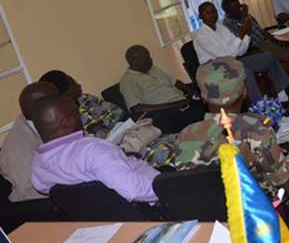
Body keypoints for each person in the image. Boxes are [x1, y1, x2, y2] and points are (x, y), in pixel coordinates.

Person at [175, 57, 289, 207]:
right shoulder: (257, 129)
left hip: (218, 212)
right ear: (244, 91)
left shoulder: (185, 135)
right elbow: (285, 187)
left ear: (203, 96)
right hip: (265, 207)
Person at [30, 94, 160, 203]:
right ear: (67, 121)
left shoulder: (37, 166)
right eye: (76, 113)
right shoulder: (92, 150)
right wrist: (170, 190)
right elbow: (136, 190)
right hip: (155, 199)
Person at [40, 70, 179, 167]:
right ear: (65, 91)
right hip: (118, 152)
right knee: (166, 152)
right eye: (72, 83)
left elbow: (117, 111)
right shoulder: (63, 120)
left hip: (130, 134)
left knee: (177, 140)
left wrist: (103, 122)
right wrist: (90, 131)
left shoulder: (87, 99)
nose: (78, 84)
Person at [192, 2, 289, 105]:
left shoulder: (221, 27)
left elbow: (240, 51)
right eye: (207, 12)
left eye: (214, 11)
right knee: (246, 72)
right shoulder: (199, 35)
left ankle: (284, 99)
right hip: (216, 70)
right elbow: (226, 55)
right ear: (200, 16)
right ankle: (260, 107)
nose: (212, 15)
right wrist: (242, 33)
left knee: (270, 57)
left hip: (234, 62)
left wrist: (247, 34)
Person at [221, 0, 289, 85]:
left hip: (268, 40)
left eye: (239, 6)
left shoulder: (243, 14)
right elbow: (241, 41)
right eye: (235, 9)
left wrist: (276, 39)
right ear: (227, 12)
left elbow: (261, 30)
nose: (239, 9)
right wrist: (245, 18)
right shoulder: (227, 25)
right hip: (257, 48)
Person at [120, 45, 204, 133]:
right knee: (203, 120)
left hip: (184, 101)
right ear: (134, 61)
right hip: (168, 112)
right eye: (146, 58)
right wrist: (174, 104)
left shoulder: (151, 68)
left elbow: (174, 81)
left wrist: (191, 91)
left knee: (211, 101)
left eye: (149, 56)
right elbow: (137, 108)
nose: (150, 60)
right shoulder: (128, 81)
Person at [0, 83, 58, 202]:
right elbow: (28, 192)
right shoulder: (17, 146)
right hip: (37, 206)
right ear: (39, 109)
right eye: (56, 100)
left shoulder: (46, 122)